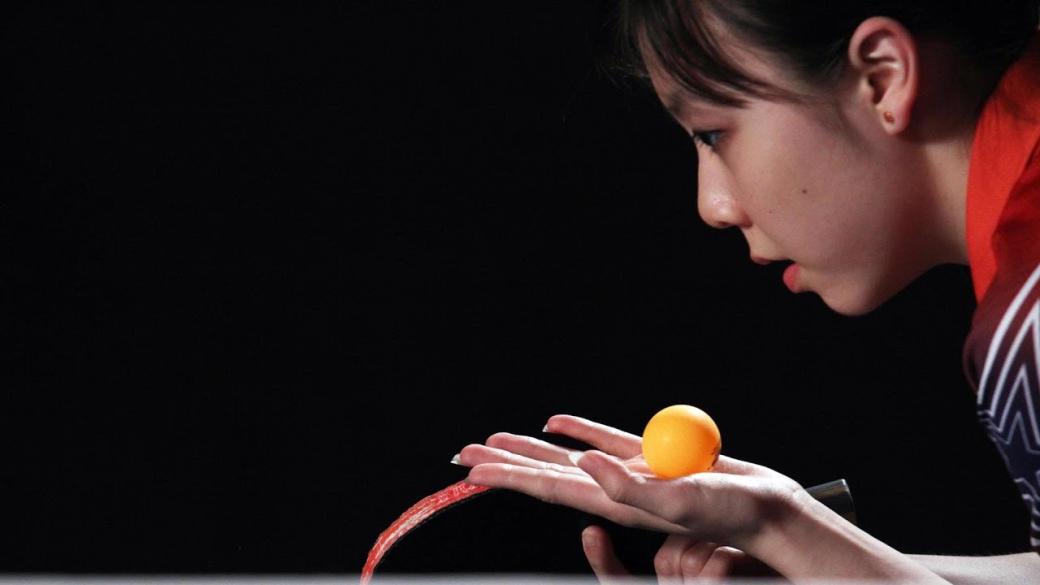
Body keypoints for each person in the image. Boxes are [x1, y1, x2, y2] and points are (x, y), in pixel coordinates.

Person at [456, 1, 1040, 583]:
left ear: (882, 78)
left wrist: (785, 533)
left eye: (713, 133)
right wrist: (794, 534)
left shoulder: (1027, 323)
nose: (712, 206)